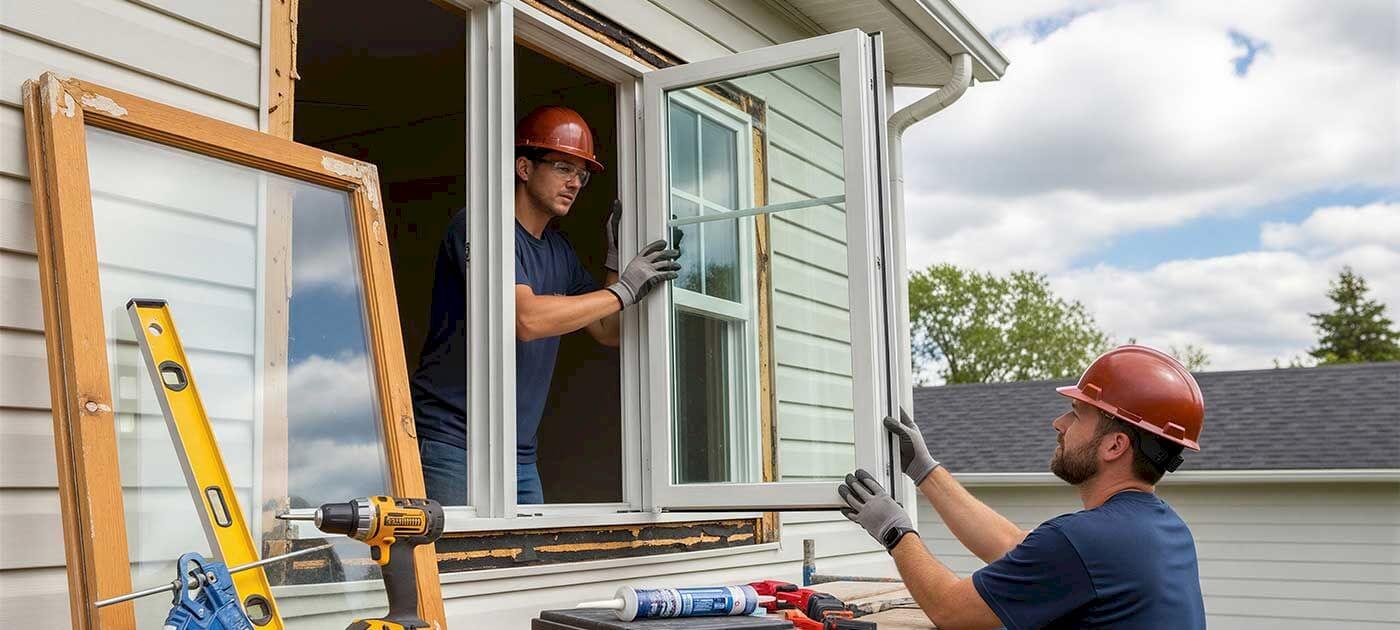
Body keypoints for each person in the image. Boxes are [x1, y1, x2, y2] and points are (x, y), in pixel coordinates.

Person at [411, 105, 680, 505]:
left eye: (582, 175)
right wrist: (624, 289)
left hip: (519, 456)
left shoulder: (559, 251)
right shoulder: (480, 226)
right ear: (524, 167)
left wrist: (616, 259)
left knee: (527, 547)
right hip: (452, 443)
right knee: (452, 549)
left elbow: (607, 330)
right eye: (563, 168)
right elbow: (525, 319)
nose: (575, 183)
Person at [838, 345, 1208, 629]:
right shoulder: (1166, 531)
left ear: (1115, 446)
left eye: (1077, 415)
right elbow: (1013, 545)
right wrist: (925, 471)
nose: (1059, 423)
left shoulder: (1083, 541)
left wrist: (895, 532)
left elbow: (951, 611)